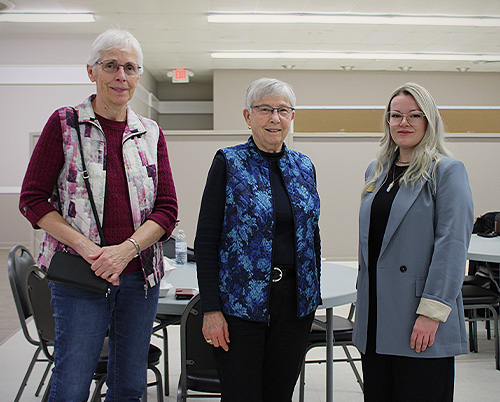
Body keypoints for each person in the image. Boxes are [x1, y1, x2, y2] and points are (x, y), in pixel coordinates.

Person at [19, 28, 178, 401]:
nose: (120, 76)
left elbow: (167, 208)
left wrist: (125, 251)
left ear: (138, 76)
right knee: (72, 384)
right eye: (110, 66)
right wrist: (90, 249)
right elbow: (32, 199)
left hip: (140, 278)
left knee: (129, 385)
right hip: (79, 274)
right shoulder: (65, 124)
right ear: (92, 71)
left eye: (129, 67)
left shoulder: (150, 132)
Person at [194, 77, 321, 401]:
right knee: (242, 395)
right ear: (248, 116)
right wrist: (210, 309)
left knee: (279, 394)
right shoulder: (229, 162)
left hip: (294, 306)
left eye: (282, 110)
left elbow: (311, 234)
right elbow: (207, 240)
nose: (274, 118)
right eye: (265, 109)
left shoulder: (303, 166)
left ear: (292, 116)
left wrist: (313, 293)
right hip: (239, 305)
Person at [353, 82, 474, 402]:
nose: (403, 123)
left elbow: (452, 245)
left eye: (414, 115)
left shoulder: (446, 171)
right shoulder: (376, 171)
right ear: (387, 121)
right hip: (376, 317)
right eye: (395, 116)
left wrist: (431, 313)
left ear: (429, 121)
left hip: (419, 315)